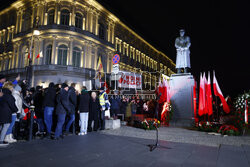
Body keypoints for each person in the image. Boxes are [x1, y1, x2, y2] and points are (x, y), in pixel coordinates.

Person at [0, 82, 18, 147]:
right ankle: (1, 141)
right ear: (9, 88)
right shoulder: (9, 95)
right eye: (12, 87)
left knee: (2, 126)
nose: (13, 88)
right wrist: (16, 110)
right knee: (5, 126)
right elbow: (12, 105)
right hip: (6, 113)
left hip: (1, 112)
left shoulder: (2, 94)